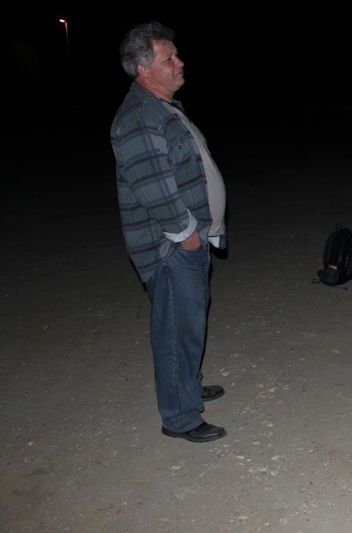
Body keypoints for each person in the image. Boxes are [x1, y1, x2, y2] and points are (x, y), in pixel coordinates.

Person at [111, 22, 228, 443]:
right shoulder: (140, 117)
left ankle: (187, 386)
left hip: (186, 243)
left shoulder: (162, 108)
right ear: (143, 68)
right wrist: (187, 234)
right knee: (177, 327)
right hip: (171, 247)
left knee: (189, 322)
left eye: (176, 55)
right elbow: (153, 187)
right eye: (169, 58)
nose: (180, 62)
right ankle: (180, 416)